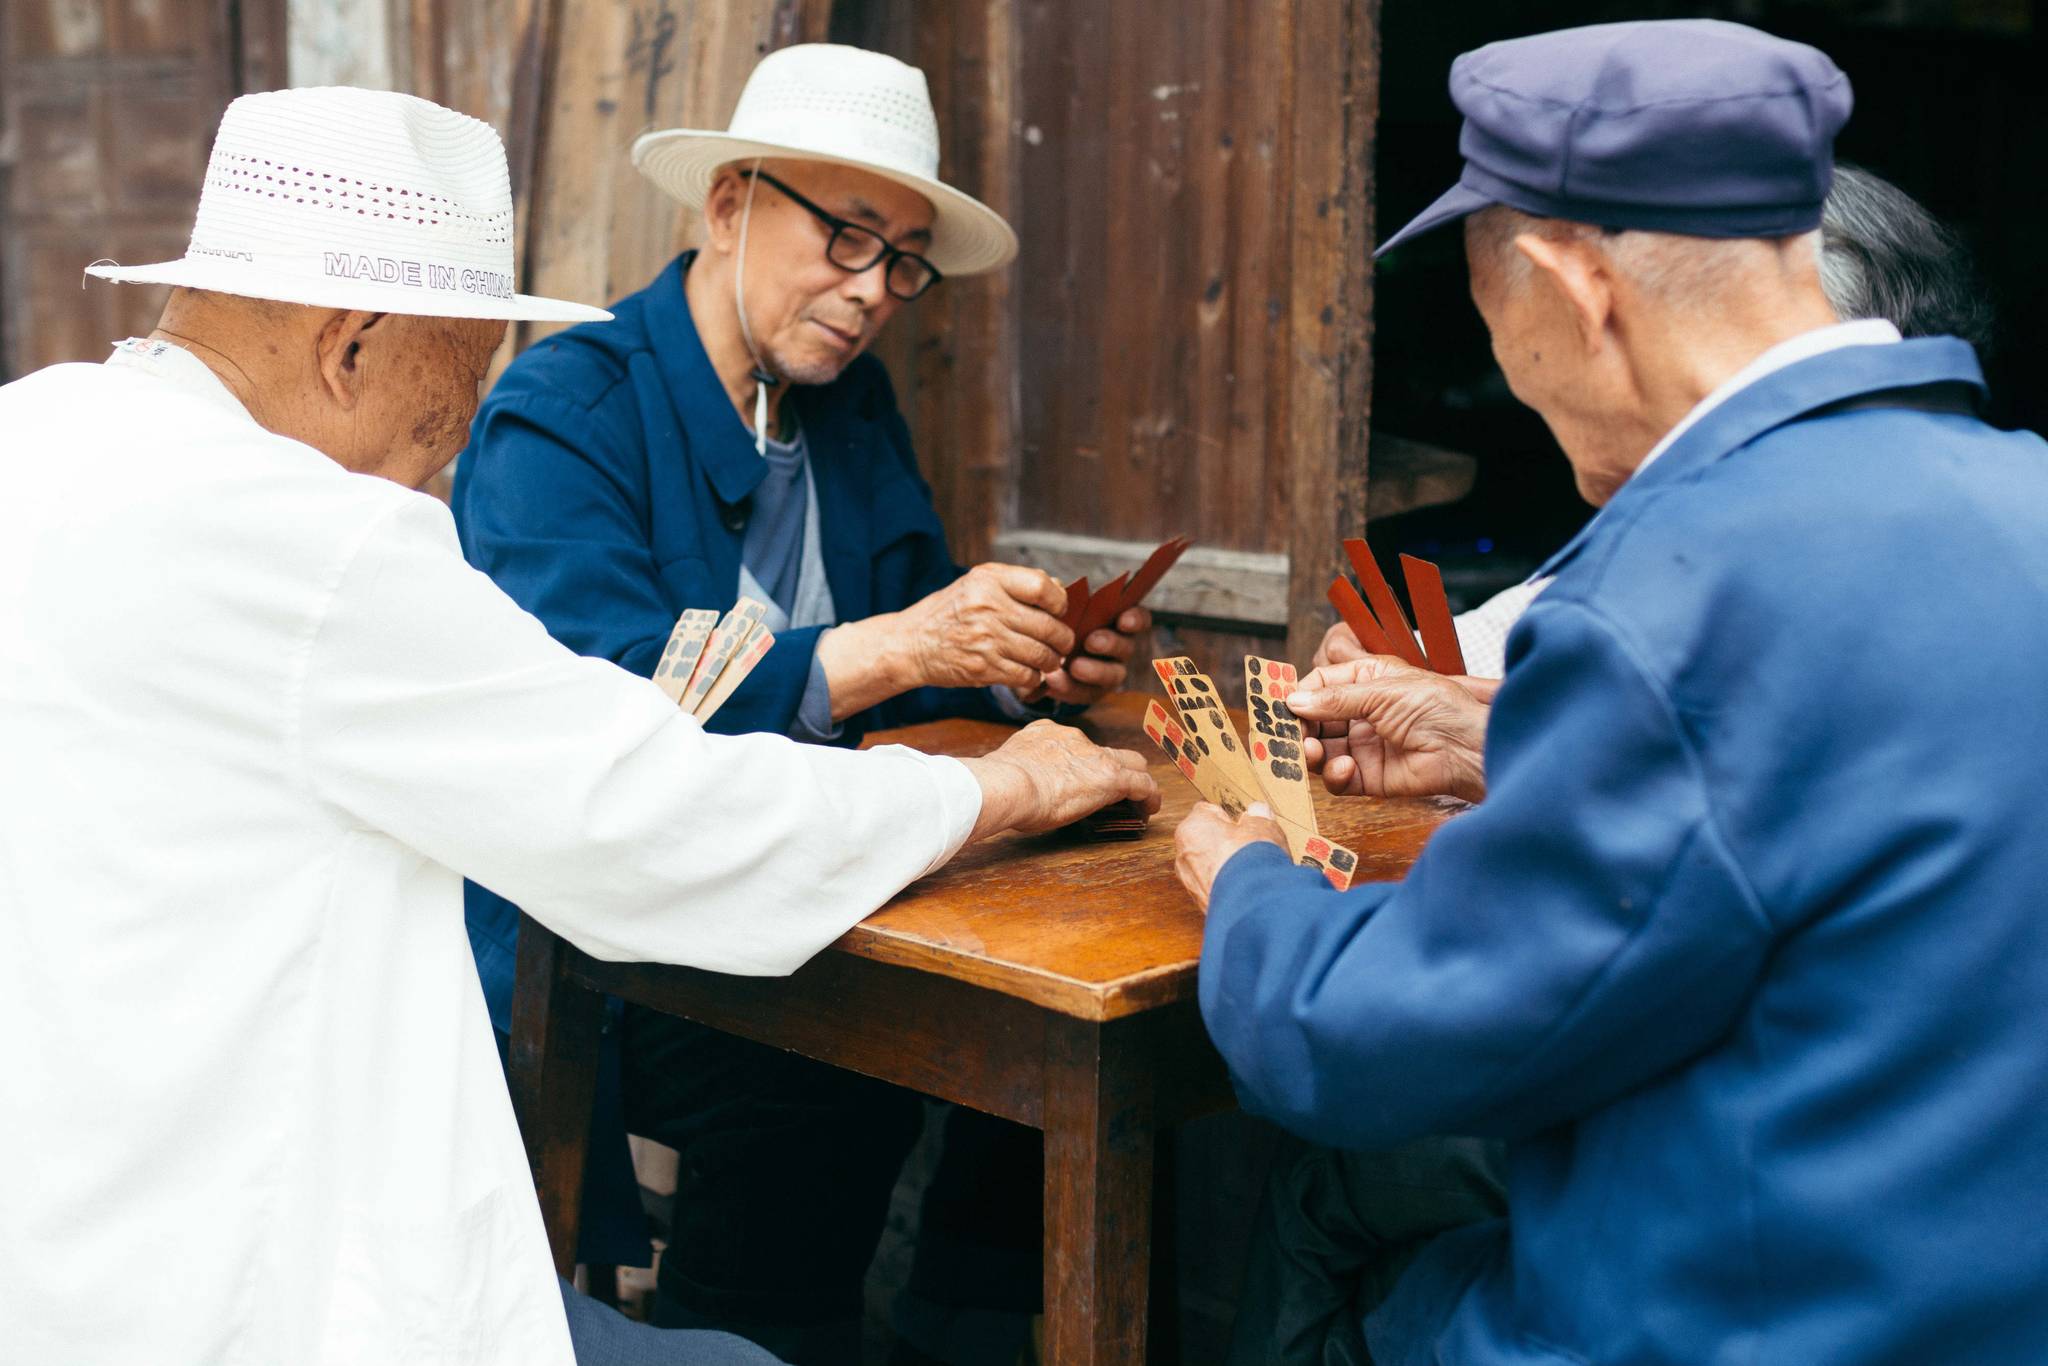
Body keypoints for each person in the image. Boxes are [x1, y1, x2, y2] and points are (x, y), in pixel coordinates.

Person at [0, 86, 1156, 1366]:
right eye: (456, 378)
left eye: (901, 264)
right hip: (240, 1280)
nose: (446, 446)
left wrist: (1002, 679)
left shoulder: (34, 437)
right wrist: (1000, 792)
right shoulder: (331, 539)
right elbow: (651, 804)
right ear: (351, 344)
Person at [1176, 20, 2048, 1365]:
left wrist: (1243, 878)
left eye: (1482, 313)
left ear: (1569, 286)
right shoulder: (2021, 497)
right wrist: (1498, 739)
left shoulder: (1674, 591)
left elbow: (1362, 1041)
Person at [451, 46, 1139, 1361]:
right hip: (614, 929)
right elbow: (604, 701)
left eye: (904, 261)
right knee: (808, 1085)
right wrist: (892, 647)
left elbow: (919, 621)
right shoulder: (564, 407)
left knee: (1056, 1039)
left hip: (824, 875)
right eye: (847, 238)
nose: (874, 291)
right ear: (726, 207)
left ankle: (972, 1328)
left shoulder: (846, 403)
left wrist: (1017, 657)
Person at [1299, 164, 2000, 808]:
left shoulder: (1796, 544)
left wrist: (1255, 893)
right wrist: (1426, 678)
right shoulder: (1962, 489)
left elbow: (1730, 826)